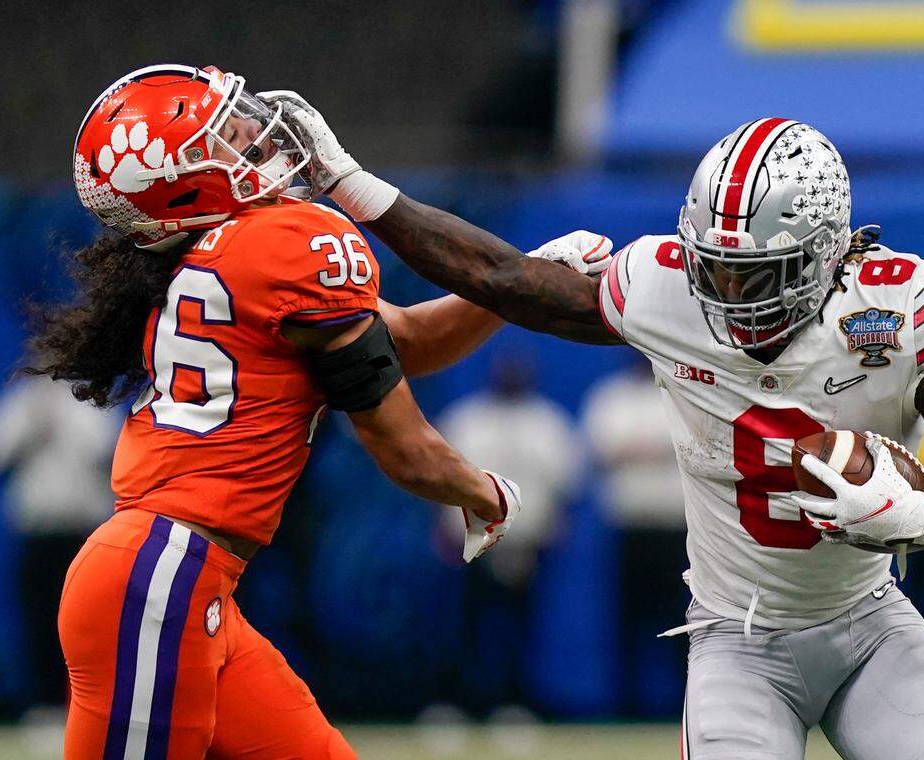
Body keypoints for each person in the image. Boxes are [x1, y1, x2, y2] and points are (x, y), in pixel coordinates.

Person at [276, 103, 924, 759]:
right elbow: (502, 281)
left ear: (822, 255)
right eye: (712, 264)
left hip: (869, 623)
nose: (722, 290)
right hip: (736, 642)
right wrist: (351, 182)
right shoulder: (665, 286)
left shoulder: (894, 311)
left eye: (750, 274)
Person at [37, 64, 604, 760]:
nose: (257, 137)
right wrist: (485, 493)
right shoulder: (288, 243)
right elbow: (405, 449)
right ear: (183, 182)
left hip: (177, 579)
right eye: (232, 137)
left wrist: (523, 277)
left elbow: (409, 343)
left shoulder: (222, 259)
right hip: (162, 579)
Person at [437, 354, 580, 713]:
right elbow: (439, 480)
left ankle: (516, 702)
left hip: (527, 543)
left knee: (522, 626)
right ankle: (461, 703)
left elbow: (565, 485)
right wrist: (443, 530)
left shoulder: (547, 423)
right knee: (467, 625)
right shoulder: (466, 419)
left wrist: (552, 531)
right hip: (472, 541)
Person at [0, 376, 119, 719]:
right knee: (39, 618)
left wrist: (63, 415)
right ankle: (46, 706)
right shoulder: (24, 399)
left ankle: (84, 707)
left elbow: (101, 450)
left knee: (84, 626)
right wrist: (32, 418)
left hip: (82, 534)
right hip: (37, 531)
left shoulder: (91, 399)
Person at [581, 355, 687, 717]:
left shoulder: (682, 394)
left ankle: (689, 702)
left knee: (684, 619)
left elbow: (696, 445)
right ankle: (625, 705)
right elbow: (603, 449)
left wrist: (638, 449)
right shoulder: (611, 397)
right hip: (631, 528)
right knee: (628, 619)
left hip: (679, 531)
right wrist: (659, 448)